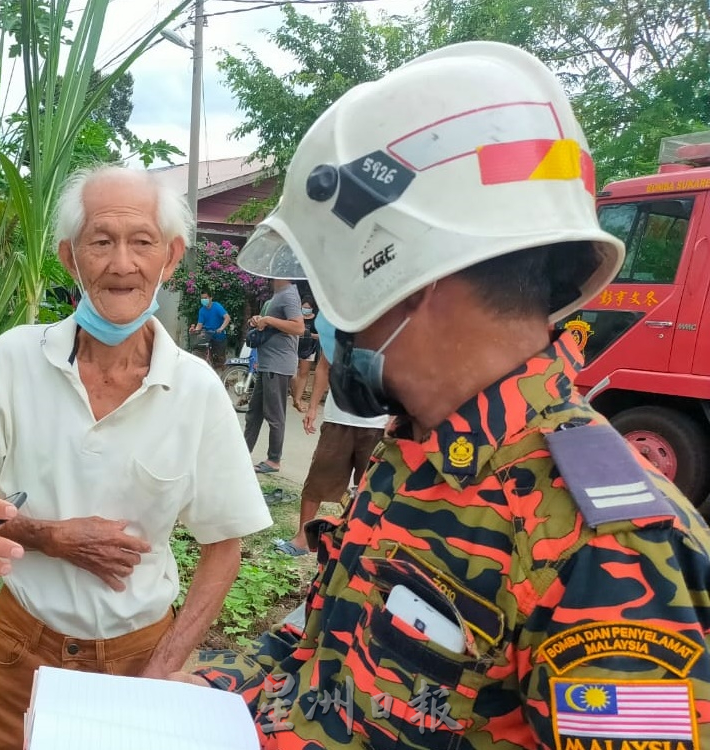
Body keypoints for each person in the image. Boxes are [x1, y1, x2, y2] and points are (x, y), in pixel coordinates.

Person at [172, 42, 710, 748]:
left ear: (403, 281)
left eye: (335, 291)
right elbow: (323, 660)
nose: (336, 324)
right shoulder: (415, 453)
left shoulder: (613, 547)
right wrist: (197, 696)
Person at [0, 165, 272, 750]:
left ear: (170, 258)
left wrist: (163, 669)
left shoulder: (196, 390)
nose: (122, 264)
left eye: (141, 242)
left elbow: (224, 547)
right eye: (101, 241)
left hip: (140, 651)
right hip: (17, 651)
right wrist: (47, 535)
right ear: (71, 258)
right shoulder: (12, 360)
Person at [275, 351, 387, 556]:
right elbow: (324, 368)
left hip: (379, 422)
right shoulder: (338, 326)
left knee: (373, 487)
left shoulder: (394, 326)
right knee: (317, 480)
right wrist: (312, 408)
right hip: (338, 419)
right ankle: (303, 538)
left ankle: (362, 543)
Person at [244, 280, 304, 473]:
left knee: (274, 415)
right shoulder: (277, 295)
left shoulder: (288, 294)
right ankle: (242, 453)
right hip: (267, 363)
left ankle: (273, 460)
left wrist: (268, 320)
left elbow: (298, 327)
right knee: (254, 413)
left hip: (277, 365)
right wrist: (258, 319)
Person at [290, 296, 319, 412]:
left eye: (308, 308)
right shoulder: (297, 318)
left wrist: (308, 334)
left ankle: (298, 399)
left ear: (312, 308)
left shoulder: (316, 321)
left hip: (309, 349)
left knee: (303, 373)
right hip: (294, 347)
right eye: (304, 307)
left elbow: (320, 336)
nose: (305, 309)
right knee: (292, 373)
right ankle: (294, 395)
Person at [189, 290, 231, 368]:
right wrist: (195, 330)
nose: (204, 300)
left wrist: (221, 328)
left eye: (206, 298)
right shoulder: (202, 310)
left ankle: (222, 374)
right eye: (202, 298)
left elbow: (227, 318)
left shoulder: (217, 306)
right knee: (199, 350)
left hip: (219, 335)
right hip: (208, 335)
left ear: (211, 298)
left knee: (220, 360)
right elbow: (199, 324)